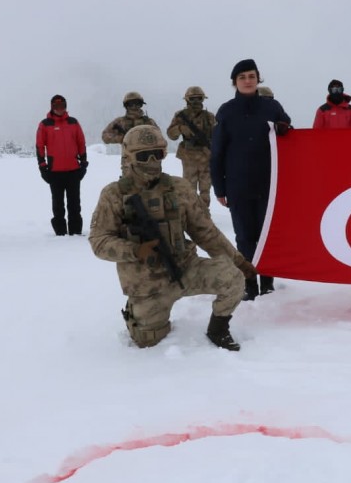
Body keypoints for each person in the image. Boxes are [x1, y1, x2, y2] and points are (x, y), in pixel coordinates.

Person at [90, 124, 256, 351]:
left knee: (233, 279)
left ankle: (218, 329)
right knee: (147, 341)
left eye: (157, 154)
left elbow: (206, 233)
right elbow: (99, 240)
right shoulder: (114, 195)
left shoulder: (180, 188)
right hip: (147, 284)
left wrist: (238, 261)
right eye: (143, 156)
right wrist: (133, 250)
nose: (151, 162)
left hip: (186, 269)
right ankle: (138, 310)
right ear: (129, 157)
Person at [210, 58, 293, 299]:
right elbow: (217, 153)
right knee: (245, 237)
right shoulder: (227, 111)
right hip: (238, 185)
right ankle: (249, 284)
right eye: (242, 77)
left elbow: (287, 129)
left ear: (258, 80)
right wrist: (219, 188)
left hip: (269, 184)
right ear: (235, 82)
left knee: (267, 234)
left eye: (252, 77)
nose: (248, 81)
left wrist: (284, 128)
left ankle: (267, 283)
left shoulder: (271, 106)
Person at [36, 94, 88, 235]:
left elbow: (81, 143)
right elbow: (40, 146)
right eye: (56, 106)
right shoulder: (45, 124)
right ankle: (60, 233)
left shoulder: (73, 122)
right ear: (52, 107)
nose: (60, 109)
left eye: (62, 106)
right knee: (58, 205)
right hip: (55, 172)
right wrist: (42, 166)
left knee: (74, 204)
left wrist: (84, 164)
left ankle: (76, 231)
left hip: (73, 170)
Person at [165, 85, 216, 210]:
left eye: (199, 98)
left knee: (205, 188)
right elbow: (171, 134)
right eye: (193, 99)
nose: (196, 102)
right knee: (189, 187)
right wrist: (180, 129)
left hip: (205, 156)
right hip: (189, 157)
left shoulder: (209, 116)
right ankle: (190, 213)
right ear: (187, 100)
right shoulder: (181, 116)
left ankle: (204, 212)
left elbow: (217, 134)